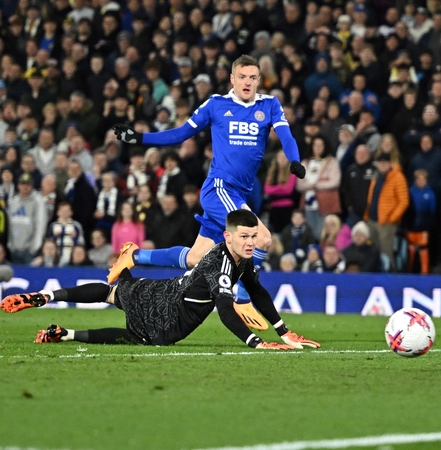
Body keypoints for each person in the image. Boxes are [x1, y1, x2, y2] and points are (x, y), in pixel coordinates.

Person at [109, 55, 306, 305]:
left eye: (253, 78)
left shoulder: (269, 105)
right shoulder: (216, 104)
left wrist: (294, 160)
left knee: (194, 258)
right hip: (219, 189)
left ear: (259, 80)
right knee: (261, 238)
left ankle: (134, 256)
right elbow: (181, 134)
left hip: (238, 194)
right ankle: (244, 300)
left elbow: (287, 137)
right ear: (232, 79)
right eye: (242, 77)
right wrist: (140, 138)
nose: (247, 82)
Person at [2, 210, 320, 350]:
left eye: (253, 236)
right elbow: (225, 310)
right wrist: (257, 342)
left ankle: (47, 299)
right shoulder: (220, 263)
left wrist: (284, 331)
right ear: (228, 236)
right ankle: (65, 331)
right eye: (244, 237)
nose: (250, 242)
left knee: (116, 293)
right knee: (138, 335)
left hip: (165, 291)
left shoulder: (242, 259)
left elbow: (258, 291)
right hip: (168, 314)